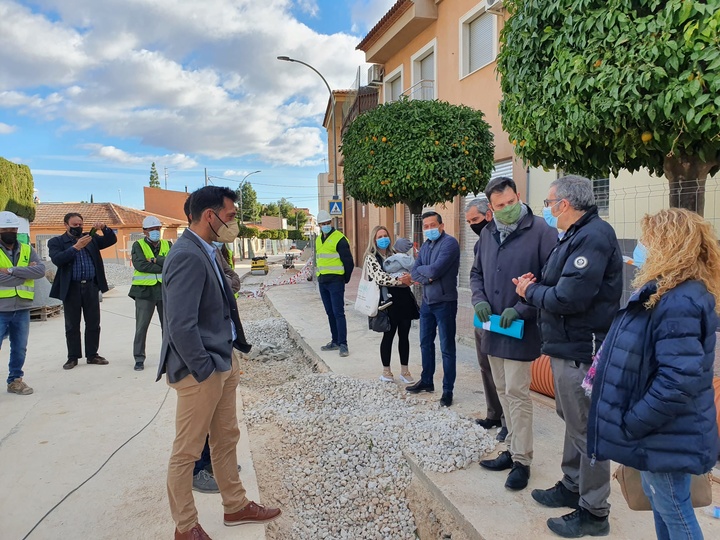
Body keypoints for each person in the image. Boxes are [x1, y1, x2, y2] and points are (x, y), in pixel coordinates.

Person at [588, 208, 720, 540]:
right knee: (663, 505)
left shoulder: (679, 301)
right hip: (660, 430)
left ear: (667, 244)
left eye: (647, 240)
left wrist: (633, 422)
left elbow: (677, 381)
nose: (641, 246)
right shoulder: (668, 291)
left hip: (665, 431)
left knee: (675, 510)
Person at [158, 186, 280, 539]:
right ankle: (185, 527)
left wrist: (226, 356)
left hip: (222, 358)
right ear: (209, 215)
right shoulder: (186, 255)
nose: (233, 223)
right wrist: (205, 369)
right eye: (229, 216)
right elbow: (179, 324)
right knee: (187, 451)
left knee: (225, 438)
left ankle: (235, 505)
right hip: (202, 370)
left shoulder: (210, 250)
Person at [514, 175, 622, 537]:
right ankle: (572, 484)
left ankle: (594, 510)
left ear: (564, 204)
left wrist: (531, 292)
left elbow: (570, 298)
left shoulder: (593, 236)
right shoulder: (573, 236)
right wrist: (536, 285)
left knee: (586, 429)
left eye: (548, 202)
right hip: (565, 346)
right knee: (572, 419)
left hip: (581, 349)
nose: (545, 208)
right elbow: (556, 285)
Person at [470, 178, 557, 491]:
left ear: (519, 196)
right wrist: (479, 300)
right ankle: (510, 447)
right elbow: (477, 273)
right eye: (499, 206)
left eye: (510, 203)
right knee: (503, 390)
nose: (506, 210)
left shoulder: (542, 234)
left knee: (518, 395)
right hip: (492, 328)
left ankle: (522, 461)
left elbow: (550, 283)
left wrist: (520, 309)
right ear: (491, 209)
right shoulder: (488, 235)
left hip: (520, 329)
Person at [49, 212, 117, 370]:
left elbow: (110, 240)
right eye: (74, 225)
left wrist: (105, 228)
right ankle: (72, 357)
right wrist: (76, 247)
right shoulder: (57, 242)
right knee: (72, 324)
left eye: (80, 225)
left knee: (93, 322)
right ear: (66, 225)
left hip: (91, 286)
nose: (78, 228)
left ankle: (92, 354)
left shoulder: (90, 238)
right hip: (71, 287)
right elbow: (58, 259)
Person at [406, 211, 460, 407]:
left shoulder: (450, 244)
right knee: (425, 343)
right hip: (427, 302)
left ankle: (448, 390)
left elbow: (436, 270)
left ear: (441, 225)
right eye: (426, 226)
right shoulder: (426, 246)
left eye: (432, 225)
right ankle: (427, 381)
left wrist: (426, 274)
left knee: (447, 348)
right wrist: (425, 275)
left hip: (445, 302)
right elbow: (415, 270)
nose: (429, 229)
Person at [465, 197, 506, 440]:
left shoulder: (505, 240)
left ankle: (507, 423)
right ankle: (493, 414)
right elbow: (475, 275)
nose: (472, 225)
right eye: (469, 221)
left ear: (489, 214)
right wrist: (479, 300)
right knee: (485, 366)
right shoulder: (481, 243)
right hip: (483, 316)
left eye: (476, 220)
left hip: (504, 318)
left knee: (504, 373)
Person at [363, 226, 417, 384]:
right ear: (374, 239)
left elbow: (408, 269)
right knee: (388, 336)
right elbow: (380, 278)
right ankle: (386, 371)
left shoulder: (395, 254)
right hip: (387, 303)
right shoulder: (371, 257)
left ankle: (405, 371)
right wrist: (400, 280)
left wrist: (409, 277)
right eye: (379, 236)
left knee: (404, 336)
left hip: (404, 299)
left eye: (385, 235)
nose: (383, 239)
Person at [0, 211, 46, 395]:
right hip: (1, 309)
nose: (10, 232)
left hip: (22, 309)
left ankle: (15, 381)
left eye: (13, 228)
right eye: (6, 229)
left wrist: (10, 270)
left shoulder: (27, 249)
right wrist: (24, 273)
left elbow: (40, 271)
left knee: (19, 348)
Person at [128, 215, 171, 371]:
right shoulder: (138, 245)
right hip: (144, 291)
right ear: (144, 231)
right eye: (152, 229)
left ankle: (168, 357)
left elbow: (173, 264)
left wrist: (153, 260)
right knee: (141, 326)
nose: (155, 232)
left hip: (164, 291)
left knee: (167, 326)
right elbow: (140, 266)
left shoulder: (168, 244)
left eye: (157, 229)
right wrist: (162, 263)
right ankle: (139, 358)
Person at [315, 209, 354, 357]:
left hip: (336, 281)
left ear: (331, 223)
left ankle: (343, 344)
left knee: (338, 313)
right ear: (319, 225)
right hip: (323, 281)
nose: (325, 225)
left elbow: (349, 261)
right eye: (322, 224)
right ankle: (335, 341)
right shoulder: (318, 239)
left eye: (327, 223)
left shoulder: (340, 239)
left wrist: (345, 278)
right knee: (330, 312)